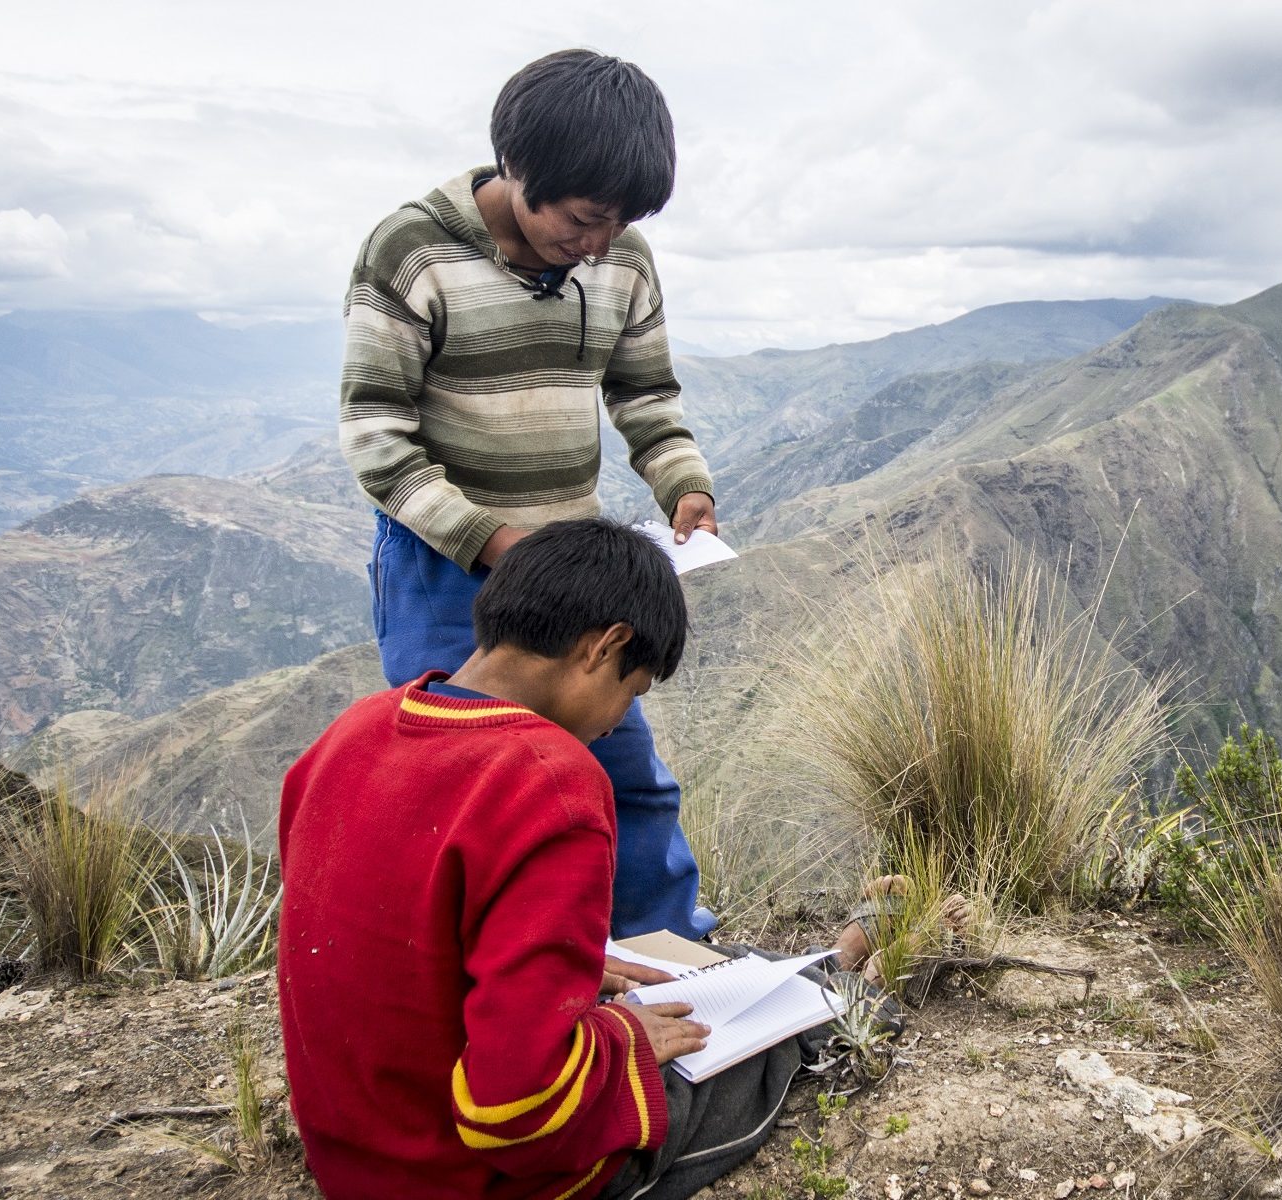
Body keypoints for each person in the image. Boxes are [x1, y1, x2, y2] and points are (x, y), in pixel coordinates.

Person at [281, 519, 880, 1200]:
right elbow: (518, 1113)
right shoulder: (548, 779)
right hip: (472, 1178)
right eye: (632, 692)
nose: (616, 720)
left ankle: (832, 962)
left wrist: (561, 971)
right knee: (779, 1036)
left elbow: (393, 945)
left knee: (733, 972)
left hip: (357, 1158)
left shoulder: (346, 737)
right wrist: (622, 1038)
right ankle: (859, 978)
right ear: (606, 646)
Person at [339, 48, 717, 941]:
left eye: (619, 221)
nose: (598, 242)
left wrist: (681, 482)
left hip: (571, 568)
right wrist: (492, 540)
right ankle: (477, 978)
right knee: (467, 785)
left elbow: (646, 395)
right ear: (519, 171)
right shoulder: (412, 250)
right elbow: (375, 436)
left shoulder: (623, 257)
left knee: (624, 777)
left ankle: (671, 963)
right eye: (585, 218)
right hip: (444, 564)